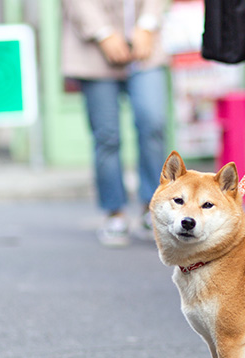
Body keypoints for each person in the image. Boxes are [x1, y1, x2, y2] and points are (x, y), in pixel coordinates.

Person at [61, 0, 169, 247]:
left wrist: (147, 24)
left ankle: (152, 208)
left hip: (145, 47)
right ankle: (114, 212)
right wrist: (103, 33)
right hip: (92, 49)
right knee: (107, 135)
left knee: (152, 121)